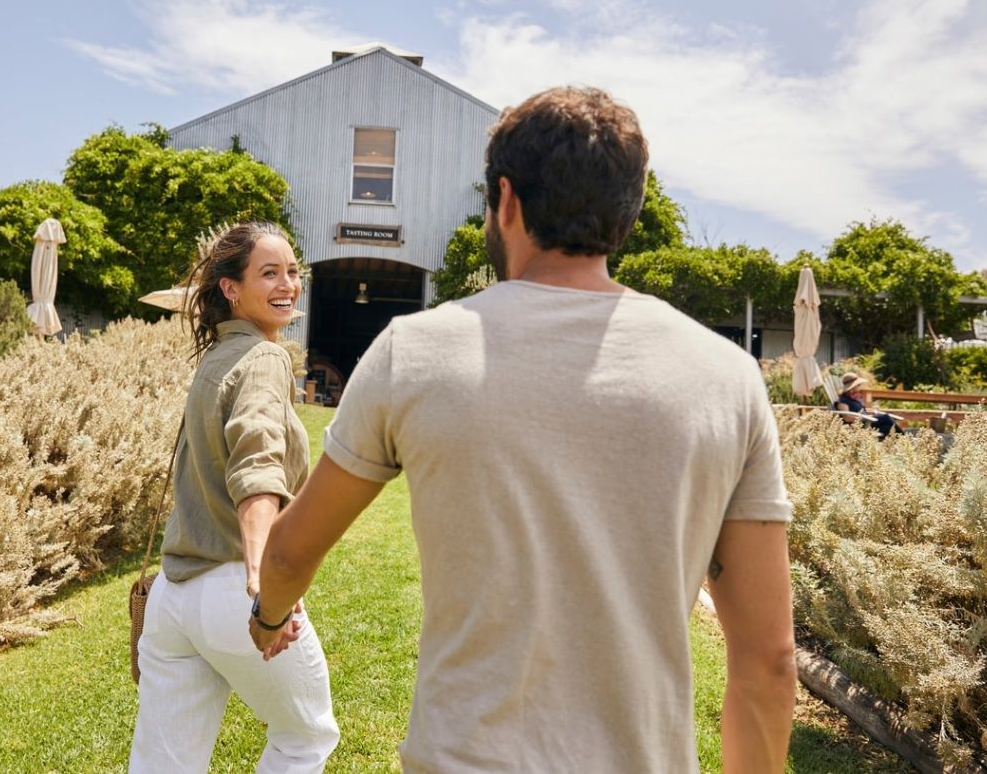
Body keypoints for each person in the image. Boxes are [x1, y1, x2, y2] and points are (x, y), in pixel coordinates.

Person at [249, 87, 797, 773]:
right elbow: (769, 663)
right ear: (627, 213)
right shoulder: (727, 376)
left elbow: (290, 553)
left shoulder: (413, 350)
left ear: (504, 201)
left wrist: (268, 617)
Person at [130, 222, 339, 773]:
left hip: (172, 603)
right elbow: (258, 467)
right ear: (231, 289)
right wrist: (260, 577)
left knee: (163, 765)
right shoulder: (266, 359)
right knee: (305, 737)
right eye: (268, 273)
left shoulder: (215, 361)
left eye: (292, 271)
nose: (287, 284)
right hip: (234, 590)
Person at [833, 372, 904, 439]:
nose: (860, 387)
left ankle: (903, 443)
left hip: (867, 421)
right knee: (886, 417)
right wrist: (865, 417)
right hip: (864, 423)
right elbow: (846, 417)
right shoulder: (843, 400)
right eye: (858, 385)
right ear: (853, 387)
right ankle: (905, 439)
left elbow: (859, 410)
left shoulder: (852, 398)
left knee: (888, 428)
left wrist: (871, 412)